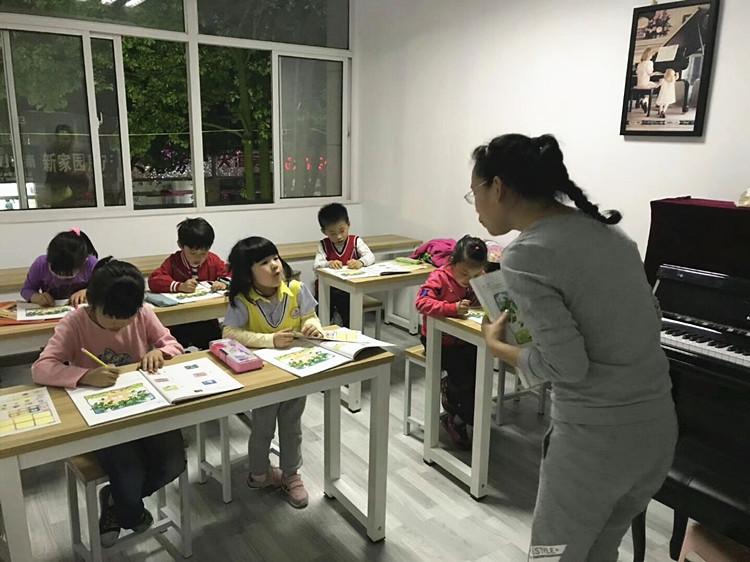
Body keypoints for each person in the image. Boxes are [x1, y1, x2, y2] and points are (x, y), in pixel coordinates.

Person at [467, 133, 676, 562]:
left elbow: (567, 366)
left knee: (551, 555)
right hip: (656, 432)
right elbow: (649, 320)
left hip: (594, 443)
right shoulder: (611, 233)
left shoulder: (525, 254)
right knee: (601, 549)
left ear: (498, 187)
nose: (475, 207)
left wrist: (498, 347)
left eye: (475, 193)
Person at [32, 258, 185, 547]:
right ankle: (129, 510)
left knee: (174, 463)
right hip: (102, 417)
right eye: (111, 317)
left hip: (146, 408)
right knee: (129, 471)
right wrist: (84, 375)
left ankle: (115, 501)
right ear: (92, 302)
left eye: (125, 317)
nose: (118, 324)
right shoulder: (75, 322)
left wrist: (160, 353)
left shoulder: (142, 312)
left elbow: (171, 343)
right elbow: (41, 368)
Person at [222, 236, 323, 508]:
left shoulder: (296, 289)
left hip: (295, 373)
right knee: (262, 427)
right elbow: (229, 333)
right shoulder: (243, 300)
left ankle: (291, 475)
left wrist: (314, 327)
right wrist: (269, 340)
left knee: (292, 427)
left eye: (275, 258)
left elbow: (311, 317)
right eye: (264, 262)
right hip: (263, 378)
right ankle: (259, 474)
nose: (275, 266)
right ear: (248, 273)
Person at [415, 235, 487, 449]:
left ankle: (464, 414)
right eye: (464, 273)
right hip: (438, 340)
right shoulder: (439, 277)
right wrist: (451, 308)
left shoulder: (479, 277)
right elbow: (421, 302)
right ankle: (455, 417)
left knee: (480, 372)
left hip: (464, 339)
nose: (468, 280)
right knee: (463, 378)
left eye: (475, 275)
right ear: (452, 262)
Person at [148, 217, 229, 349]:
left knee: (214, 341)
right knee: (178, 344)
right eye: (193, 253)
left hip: (206, 318)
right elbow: (154, 280)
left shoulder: (212, 260)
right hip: (178, 320)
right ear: (181, 245)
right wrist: (179, 286)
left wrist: (223, 283)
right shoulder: (173, 262)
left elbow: (229, 273)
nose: (198, 257)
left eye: (203, 253)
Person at [313, 203, 375, 326]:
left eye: (342, 230)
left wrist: (360, 262)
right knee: (322, 320)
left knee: (349, 320)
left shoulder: (356, 241)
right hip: (327, 290)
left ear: (348, 224)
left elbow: (370, 256)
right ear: (324, 232)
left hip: (348, 291)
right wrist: (328, 263)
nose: (339, 236)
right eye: (332, 233)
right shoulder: (323, 245)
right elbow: (316, 265)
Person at [21, 228, 98, 306]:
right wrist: (36, 297)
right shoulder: (41, 264)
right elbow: (26, 290)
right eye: (58, 273)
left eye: (69, 274)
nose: (64, 278)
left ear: (84, 262)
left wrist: (87, 292)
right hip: (51, 307)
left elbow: (102, 288)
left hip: (80, 308)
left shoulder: (91, 263)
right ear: (49, 260)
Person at [635, 47, 661, 113]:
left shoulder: (640, 64)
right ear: (649, 55)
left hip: (639, 84)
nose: (652, 56)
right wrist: (656, 73)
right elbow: (650, 73)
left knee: (650, 86)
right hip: (645, 84)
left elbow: (637, 72)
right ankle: (653, 103)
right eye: (652, 54)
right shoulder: (650, 63)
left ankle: (643, 100)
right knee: (658, 85)